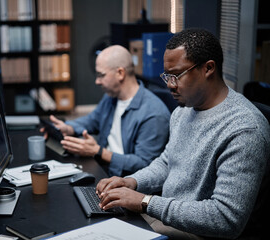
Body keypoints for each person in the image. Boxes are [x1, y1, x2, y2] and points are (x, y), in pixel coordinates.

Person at [96, 29, 270, 239]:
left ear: (208, 68)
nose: (170, 85)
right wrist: (132, 181)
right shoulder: (183, 110)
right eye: (167, 75)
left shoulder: (244, 129)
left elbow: (225, 218)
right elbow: (168, 163)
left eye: (177, 75)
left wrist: (145, 202)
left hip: (195, 233)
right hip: (165, 219)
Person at [48, 45, 170, 177]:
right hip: (103, 168)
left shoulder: (153, 113)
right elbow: (92, 120)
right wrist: (69, 128)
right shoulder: (111, 97)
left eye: (101, 75)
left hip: (125, 179)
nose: (97, 81)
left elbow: (144, 165)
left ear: (120, 73)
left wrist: (99, 151)